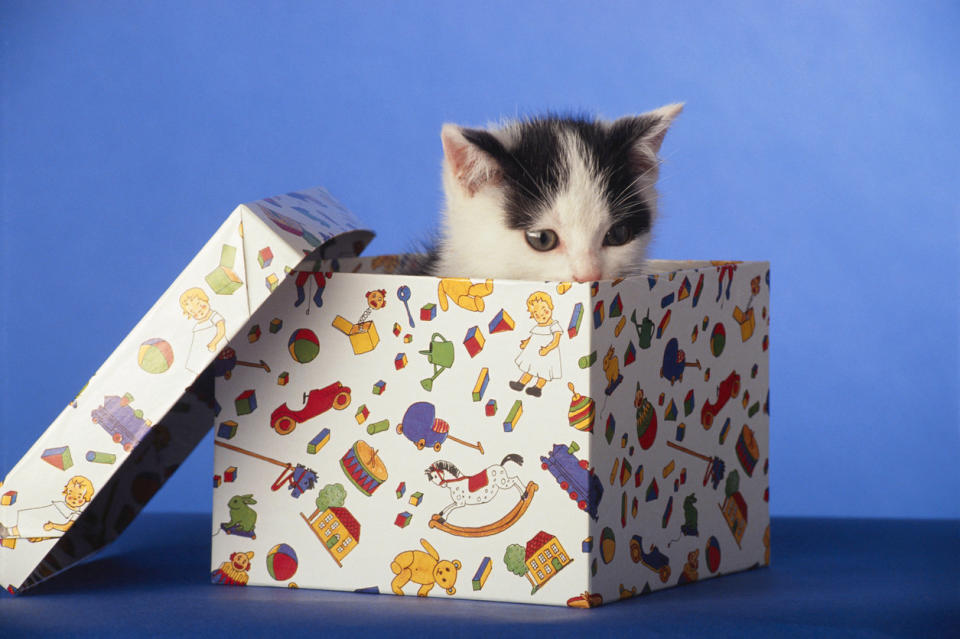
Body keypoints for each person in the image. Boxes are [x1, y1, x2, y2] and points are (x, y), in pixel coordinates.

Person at [0, 476, 95, 541]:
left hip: (50, 524)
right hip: (44, 516)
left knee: (30, 525)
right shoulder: (62, 504)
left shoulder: (75, 514)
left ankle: (8, 532)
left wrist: (54, 526)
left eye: (79, 496)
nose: (73, 498)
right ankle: (8, 530)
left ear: (85, 499)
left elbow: (67, 526)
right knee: (26, 520)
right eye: (70, 493)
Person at [510, 291, 562, 397]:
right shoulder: (538, 326)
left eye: (544, 310)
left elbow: (556, 341)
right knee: (530, 369)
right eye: (536, 314)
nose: (541, 315)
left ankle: (537, 388)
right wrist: (526, 342)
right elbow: (534, 337)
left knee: (543, 372)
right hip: (533, 353)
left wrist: (547, 349)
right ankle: (521, 384)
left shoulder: (554, 326)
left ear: (550, 307)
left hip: (546, 354)